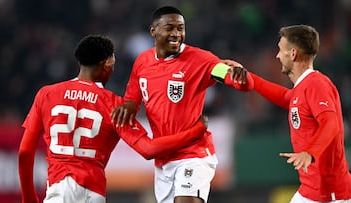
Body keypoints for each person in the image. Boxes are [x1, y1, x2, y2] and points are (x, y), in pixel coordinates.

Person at [18, 34, 210, 203]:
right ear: (108, 63)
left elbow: (25, 152)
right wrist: (195, 131)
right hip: (93, 193)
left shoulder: (46, 94)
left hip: (58, 189)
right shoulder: (114, 105)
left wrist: (28, 198)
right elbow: (149, 149)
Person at [111, 6, 254, 203]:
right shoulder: (142, 62)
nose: (176, 34)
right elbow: (133, 99)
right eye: (169, 28)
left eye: (180, 28)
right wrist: (128, 105)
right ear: (154, 31)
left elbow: (224, 74)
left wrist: (235, 76)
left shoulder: (200, 59)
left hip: (194, 154)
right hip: (164, 161)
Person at [249, 25, 351, 202]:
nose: (277, 56)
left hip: (330, 194)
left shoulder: (316, 84)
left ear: (293, 54)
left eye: (280, 50)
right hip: (310, 191)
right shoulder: (302, 88)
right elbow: (285, 97)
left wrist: (310, 152)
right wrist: (249, 78)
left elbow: (331, 122)